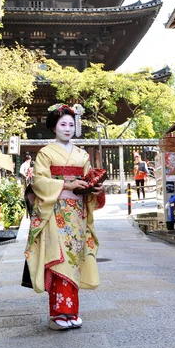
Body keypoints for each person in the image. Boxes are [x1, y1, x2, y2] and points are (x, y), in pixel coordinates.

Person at [24, 103, 106, 331]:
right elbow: (39, 182)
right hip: (55, 211)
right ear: (54, 127)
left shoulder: (81, 154)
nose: (67, 128)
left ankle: (72, 312)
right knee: (59, 258)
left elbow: (89, 179)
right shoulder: (46, 153)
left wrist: (96, 190)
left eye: (71, 124)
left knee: (74, 260)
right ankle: (57, 314)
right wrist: (67, 184)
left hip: (78, 213)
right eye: (63, 124)